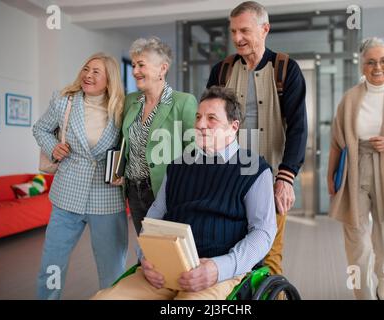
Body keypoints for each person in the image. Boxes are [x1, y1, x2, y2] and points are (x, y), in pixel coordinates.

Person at [92, 86, 277, 300]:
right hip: (165, 268)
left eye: (211, 118)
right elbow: (154, 216)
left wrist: (219, 268)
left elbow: (263, 232)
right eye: (198, 117)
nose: (200, 125)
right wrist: (146, 258)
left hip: (221, 272)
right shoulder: (178, 166)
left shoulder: (254, 169)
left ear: (233, 127)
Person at [206, 1, 307, 275]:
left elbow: (298, 127)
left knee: (270, 258)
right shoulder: (222, 70)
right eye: (233, 31)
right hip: (228, 178)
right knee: (230, 252)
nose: (237, 38)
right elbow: (210, 120)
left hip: (269, 177)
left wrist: (286, 178)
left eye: (245, 31)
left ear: (265, 29)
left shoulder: (286, 69)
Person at [327, 37, 384, 300]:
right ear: (362, 66)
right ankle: (362, 293)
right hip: (355, 168)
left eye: (383, 61)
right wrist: (329, 176)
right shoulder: (350, 99)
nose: (377, 67)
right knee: (355, 236)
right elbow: (336, 142)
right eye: (370, 62)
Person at [33, 53, 128, 299]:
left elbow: (131, 147)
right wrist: (53, 146)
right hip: (67, 196)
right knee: (51, 265)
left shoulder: (122, 108)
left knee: (112, 272)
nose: (88, 74)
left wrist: (124, 173)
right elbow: (40, 128)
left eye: (97, 71)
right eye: (86, 69)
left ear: (109, 80)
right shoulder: (64, 101)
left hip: (107, 198)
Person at [121, 37, 197, 235]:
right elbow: (123, 143)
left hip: (167, 191)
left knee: (170, 251)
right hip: (134, 190)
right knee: (147, 249)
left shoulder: (183, 102)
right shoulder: (130, 101)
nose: (135, 71)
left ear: (162, 69)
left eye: (141, 65)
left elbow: (194, 152)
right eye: (134, 65)